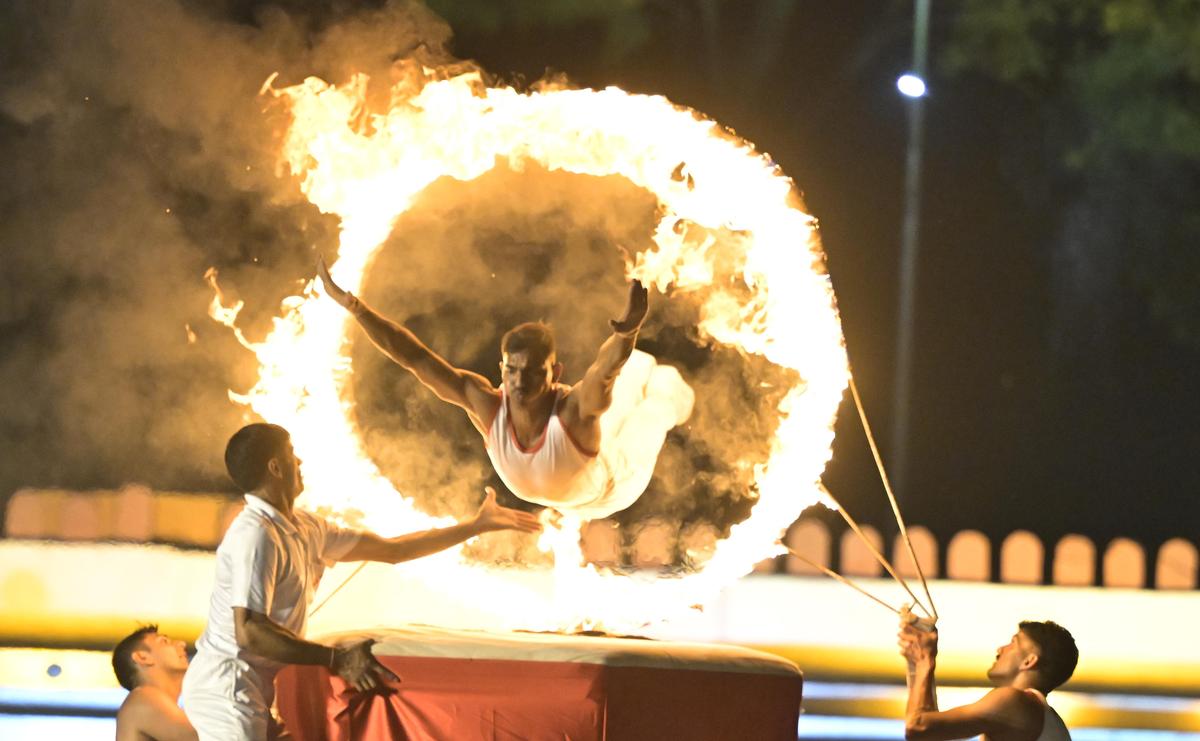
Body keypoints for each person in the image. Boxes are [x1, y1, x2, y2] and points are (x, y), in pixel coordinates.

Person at [181, 422, 542, 740]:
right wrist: (336, 659)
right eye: (292, 454)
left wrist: (474, 527)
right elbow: (249, 632)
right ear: (275, 468)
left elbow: (393, 550)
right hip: (227, 688)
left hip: (253, 688)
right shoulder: (255, 535)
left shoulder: (305, 526)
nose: (300, 462)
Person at [317, 257, 650, 517]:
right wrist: (355, 308)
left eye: (534, 372)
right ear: (501, 369)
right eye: (513, 371)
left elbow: (605, 371)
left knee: (651, 398)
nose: (520, 382)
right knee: (630, 389)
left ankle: (657, 378)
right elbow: (414, 358)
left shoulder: (573, 411)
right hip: (565, 497)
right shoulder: (487, 406)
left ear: (556, 371)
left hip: (614, 487)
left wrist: (627, 332)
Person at [897, 619, 1077, 740]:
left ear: (1029, 661)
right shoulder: (1046, 717)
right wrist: (920, 663)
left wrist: (923, 661)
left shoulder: (1014, 701)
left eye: (1013, 643)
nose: (1001, 649)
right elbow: (929, 733)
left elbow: (918, 727)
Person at [112, 625, 197, 741]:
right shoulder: (142, 697)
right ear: (142, 657)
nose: (182, 643)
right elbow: (208, 737)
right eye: (164, 641)